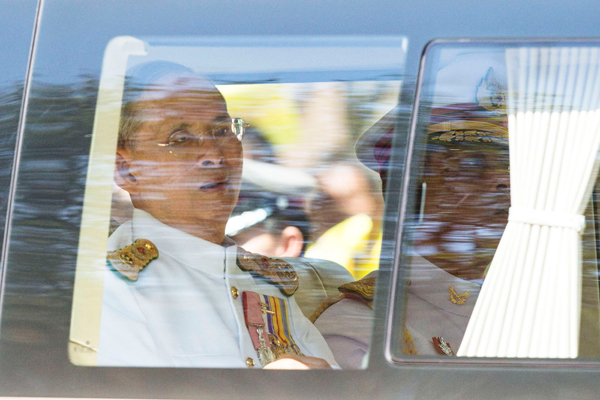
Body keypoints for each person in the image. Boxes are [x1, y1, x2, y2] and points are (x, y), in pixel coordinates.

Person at [97, 61, 338, 369]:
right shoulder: (111, 287)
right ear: (126, 169)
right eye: (180, 139)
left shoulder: (264, 282)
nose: (214, 153)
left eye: (222, 130)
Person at [312, 53, 512, 367]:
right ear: (405, 190)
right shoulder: (368, 328)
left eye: (510, 165)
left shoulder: (529, 300)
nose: (504, 181)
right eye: (472, 164)